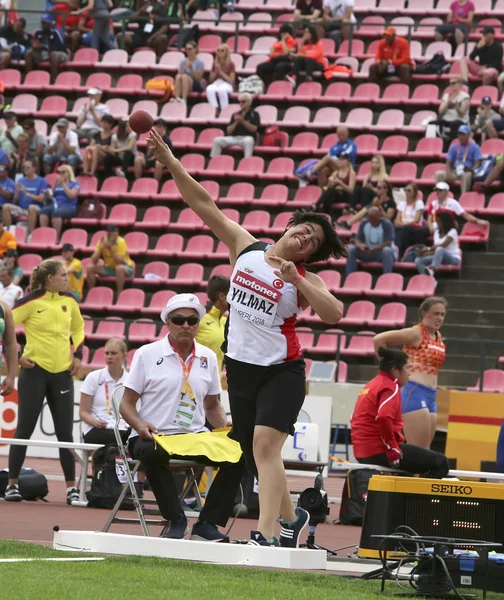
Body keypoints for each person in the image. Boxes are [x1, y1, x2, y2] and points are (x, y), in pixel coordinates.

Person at [148, 128, 348, 547]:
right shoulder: (246, 248)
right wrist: (171, 162)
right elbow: (204, 204)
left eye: (312, 243)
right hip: (240, 369)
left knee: (262, 447)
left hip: (281, 370)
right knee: (258, 453)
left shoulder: (305, 278)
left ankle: (267, 534)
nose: (305, 238)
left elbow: (334, 314)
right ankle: (295, 519)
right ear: (292, 226)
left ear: (309, 255)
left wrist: (301, 281)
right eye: (304, 230)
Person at [120, 293, 244, 542]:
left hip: (193, 437)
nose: (185, 325)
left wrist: (224, 425)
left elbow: (212, 406)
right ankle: (175, 519)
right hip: (155, 435)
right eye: (178, 320)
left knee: (239, 453)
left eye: (191, 320)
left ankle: (207, 524)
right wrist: (140, 424)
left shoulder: (208, 357)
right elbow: (126, 404)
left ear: (198, 323)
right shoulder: (146, 354)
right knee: (152, 452)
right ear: (168, 322)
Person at [5, 259, 85, 504]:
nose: (66, 278)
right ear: (49, 278)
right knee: (24, 429)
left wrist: (78, 355)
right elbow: (6, 328)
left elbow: (79, 329)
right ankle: (12, 484)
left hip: (62, 373)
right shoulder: (29, 302)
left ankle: (71, 488)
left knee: (65, 433)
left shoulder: (70, 300)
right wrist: (18, 358)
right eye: (62, 275)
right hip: (35, 372)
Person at [351, 347, 449, 477]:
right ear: (395, 370)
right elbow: (384, 417)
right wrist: (392, 448)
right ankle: (420, 497)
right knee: (441, 462)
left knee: (407, 472)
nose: (410, 373)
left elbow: (354, 418)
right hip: (378, 451)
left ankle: (405, 495)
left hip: (362, 451)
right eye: (407, 368)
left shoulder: (371, 384)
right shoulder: (390, 387)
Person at [373, 297, 448, 449]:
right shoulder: (416, 333)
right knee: (419, 451)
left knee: (425, 452)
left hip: (431, 395)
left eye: (442, 314)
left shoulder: (438, 337)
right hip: (414, 391)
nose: (439, 318)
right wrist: (389, 369)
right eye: (435, 314)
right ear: (424, 313)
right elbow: (379, 339)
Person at [80, 338, 129, 445]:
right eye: (107, 353)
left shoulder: (130, 380)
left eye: (114, 353)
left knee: (129, 437)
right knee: (120, 439)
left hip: (122, 428)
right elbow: (83, 412)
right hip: (97, 428)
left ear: (124, 355)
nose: (109, 357)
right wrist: (94, 422)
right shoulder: (94, 377)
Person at [345, 206, 397, 275]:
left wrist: (374, 249)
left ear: (379, 216)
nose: (372, 220)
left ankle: (387, 276)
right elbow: (357, 240)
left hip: (380, 252)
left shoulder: (387, 224)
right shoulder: (364, 223)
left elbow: (388, 243)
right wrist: (361, 246)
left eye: (374, 218)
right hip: (367, 252)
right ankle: (349, 276)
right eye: (370, 218)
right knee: (351, 250)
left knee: (387, 251)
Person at [196, 275, 230, 373]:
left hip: (215, 382)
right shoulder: (200, 319)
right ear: (222, 296)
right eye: (231, 294)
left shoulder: (225, 321)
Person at [210, 93, 260, 159]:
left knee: (248, 141)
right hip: (234, 138)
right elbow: (228, 131)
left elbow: (254, 129)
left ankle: (247, 161)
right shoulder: (235, 114)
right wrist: (236, 122)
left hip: (247, 137)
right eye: (240, 102)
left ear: (249, 102)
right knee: (217, 140)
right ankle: (214, 161)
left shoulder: (255, 114)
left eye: (243, 101)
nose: (241, 103)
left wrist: (243, 122)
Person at [86, 224, 134, 294]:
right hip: (109, 268)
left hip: (126, 268)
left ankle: (119, 294)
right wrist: (100, 248)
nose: (110, 234)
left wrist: (110, 249)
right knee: (90, 267)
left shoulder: (121, 242)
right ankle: (91, 292)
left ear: (117, 233)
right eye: (108, 232)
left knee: (119, 268)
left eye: (112, 232)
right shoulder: (102, 241)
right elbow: (93, 261)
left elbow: (119, 262)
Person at [3, 160, 48, 233]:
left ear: (34, 168)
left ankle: (31, 233)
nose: (25, 169)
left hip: (37, 208)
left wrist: (27, 194)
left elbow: (41, 198)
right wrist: (17, 192)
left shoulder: (42, 181)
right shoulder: (20, 181)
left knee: (31, 207)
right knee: (5, 207)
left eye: (28, 167)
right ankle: (8, 232)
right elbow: (15, 201)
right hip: (22, 209)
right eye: (24, 167)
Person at [435, 124, 481, 195]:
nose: (461, 137)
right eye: (459, 134)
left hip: (466, 170)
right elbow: (448, 163)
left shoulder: (475, 147)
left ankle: (463, 196)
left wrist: (472, 169)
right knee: (439, 174)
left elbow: (477, 163)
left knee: (467, 175)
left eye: (463, 134)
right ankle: (439, 195)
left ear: (468, 135)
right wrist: (449, 173)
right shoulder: (454, 147)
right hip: (454, 170)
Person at [414, 212, 461, 278]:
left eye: (439, 221)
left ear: (444, 221)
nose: (437, 223)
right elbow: (434, 249)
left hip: (452, 258)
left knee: (440, 249)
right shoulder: (436, 232)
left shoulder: (453, 231)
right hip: (438, 257)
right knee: (418, 260)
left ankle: (432, 269)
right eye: (436, 221)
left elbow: (443, 245)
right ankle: (430, 280)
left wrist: (428, 249)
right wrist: (425, 253)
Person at [429, 76, 470, 149]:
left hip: (460, 120)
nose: (451, 85)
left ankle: (452, 145)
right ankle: (434, 145)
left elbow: (462, 114)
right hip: (447, 120)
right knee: (431, 124)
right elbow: (440, 112)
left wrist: (456, 106)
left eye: (453, 83)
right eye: (450, 83)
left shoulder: (465, 97)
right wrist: (447, 104)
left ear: (460, 84)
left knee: (454, 124)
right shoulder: (446, 96)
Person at [39, 164, 80, 237]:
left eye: (63, 172)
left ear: (69, 173)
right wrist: (54, 186)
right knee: (43, 211)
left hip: (69, 206)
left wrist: (64, 184)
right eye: (60, 172)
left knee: (56, 213)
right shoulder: (57, 184)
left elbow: (71, 196)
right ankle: (43, 235)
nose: (61, 174)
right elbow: (50, 196)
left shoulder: (75, 184)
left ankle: (56, 237)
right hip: (55, 205)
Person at [25, 15, 68, 81]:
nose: (43, 24)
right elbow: (35, 43)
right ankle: (29, 78)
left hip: (59, 52)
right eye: (42, 22)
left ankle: (55, 79)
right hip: (43, 52)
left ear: (51, 23)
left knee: (52, 54)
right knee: (28, 53)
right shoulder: (38, 32)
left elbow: (59, 46)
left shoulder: (56, 31)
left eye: (45, 22)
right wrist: (34, 46)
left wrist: (44, 46)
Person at [133, 118, 173, 182]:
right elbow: (148, 154)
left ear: (164, 128)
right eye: (156, 126)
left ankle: (155, 184)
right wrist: (150, 144)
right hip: (151, 159)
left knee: (158, 163)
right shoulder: (152, 138)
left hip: (163, 160)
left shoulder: (167, 140)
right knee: (137, 159)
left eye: (160, 127)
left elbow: (167, 154)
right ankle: (137, 182)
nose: (157, 128)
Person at [394, 182, 427, 256]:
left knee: (406, 229)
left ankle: (402, 253)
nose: (406, 192)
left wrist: (402, 225)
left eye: (409, 190)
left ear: (414, 192)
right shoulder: (401, 204)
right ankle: (396, 252)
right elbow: (397, 220)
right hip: (403, 226)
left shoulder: (419, 203)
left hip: (414, 227)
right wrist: (401, 224)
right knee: (396, 229)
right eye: (405, 190)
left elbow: (416, 220)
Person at [205, 44, 236, 112]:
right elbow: (211, 79)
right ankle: (215, 109)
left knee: (222, 90)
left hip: (227, 84)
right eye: (218, 50)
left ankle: (224, 110)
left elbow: (231, 80)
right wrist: (216, 71)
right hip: (216, 83)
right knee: (209, 89)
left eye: (222, 50)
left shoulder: (231, 64)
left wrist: (220, 72)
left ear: (226, 52)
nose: (220, 52)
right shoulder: (215, 63)